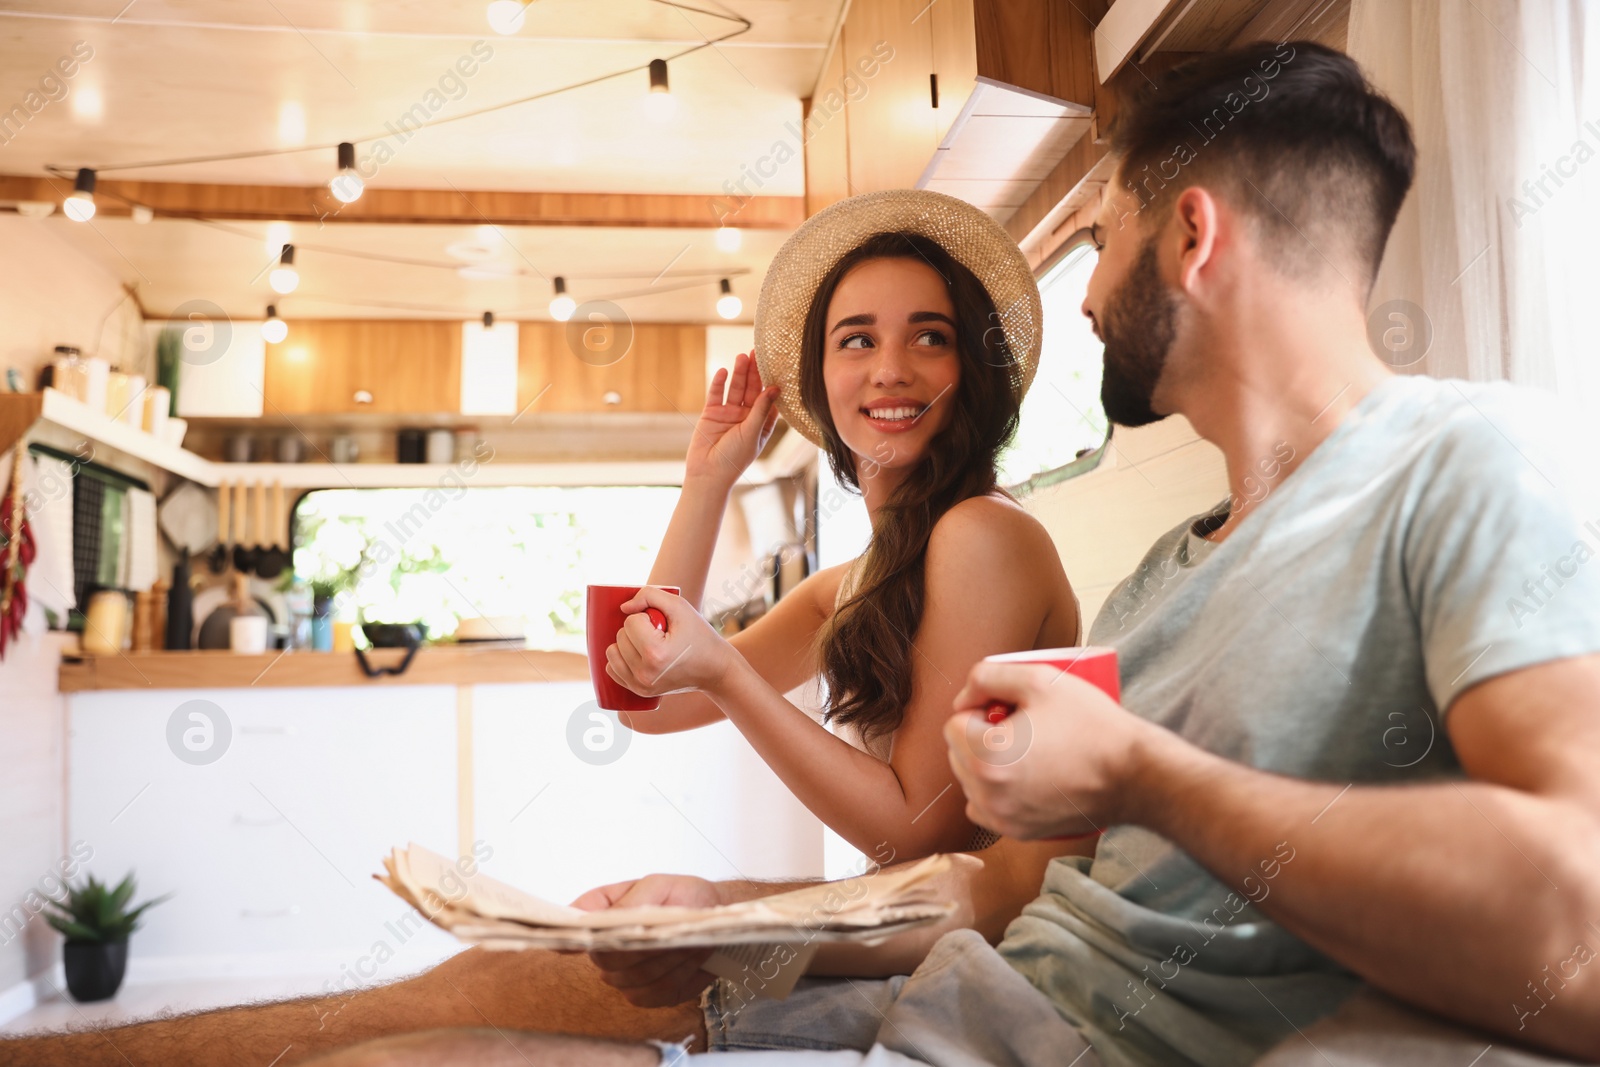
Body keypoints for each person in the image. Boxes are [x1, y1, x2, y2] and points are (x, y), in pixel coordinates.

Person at [8, 40, 1600, 1067]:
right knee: (405, 1039)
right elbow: (944, 853)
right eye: (852, 343)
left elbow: (1577, 926)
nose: (1096, 288)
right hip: (960, 990)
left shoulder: (1463, 459)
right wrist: (735, 900)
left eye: (1103, 234)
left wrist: (1140, 775)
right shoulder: (1155, 580)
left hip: (998, 1022)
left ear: (1186, 236)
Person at [605, 193, 1080, 859]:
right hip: (911, 934)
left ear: (970, 370)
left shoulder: (984, 535)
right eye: (857, 339)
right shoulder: (848, 587)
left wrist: (727, 674)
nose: (890, 370)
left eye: (930, 336)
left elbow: (923, 833)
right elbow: (643, 702)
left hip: (993, 951)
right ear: (820, 377)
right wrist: (706, 485)